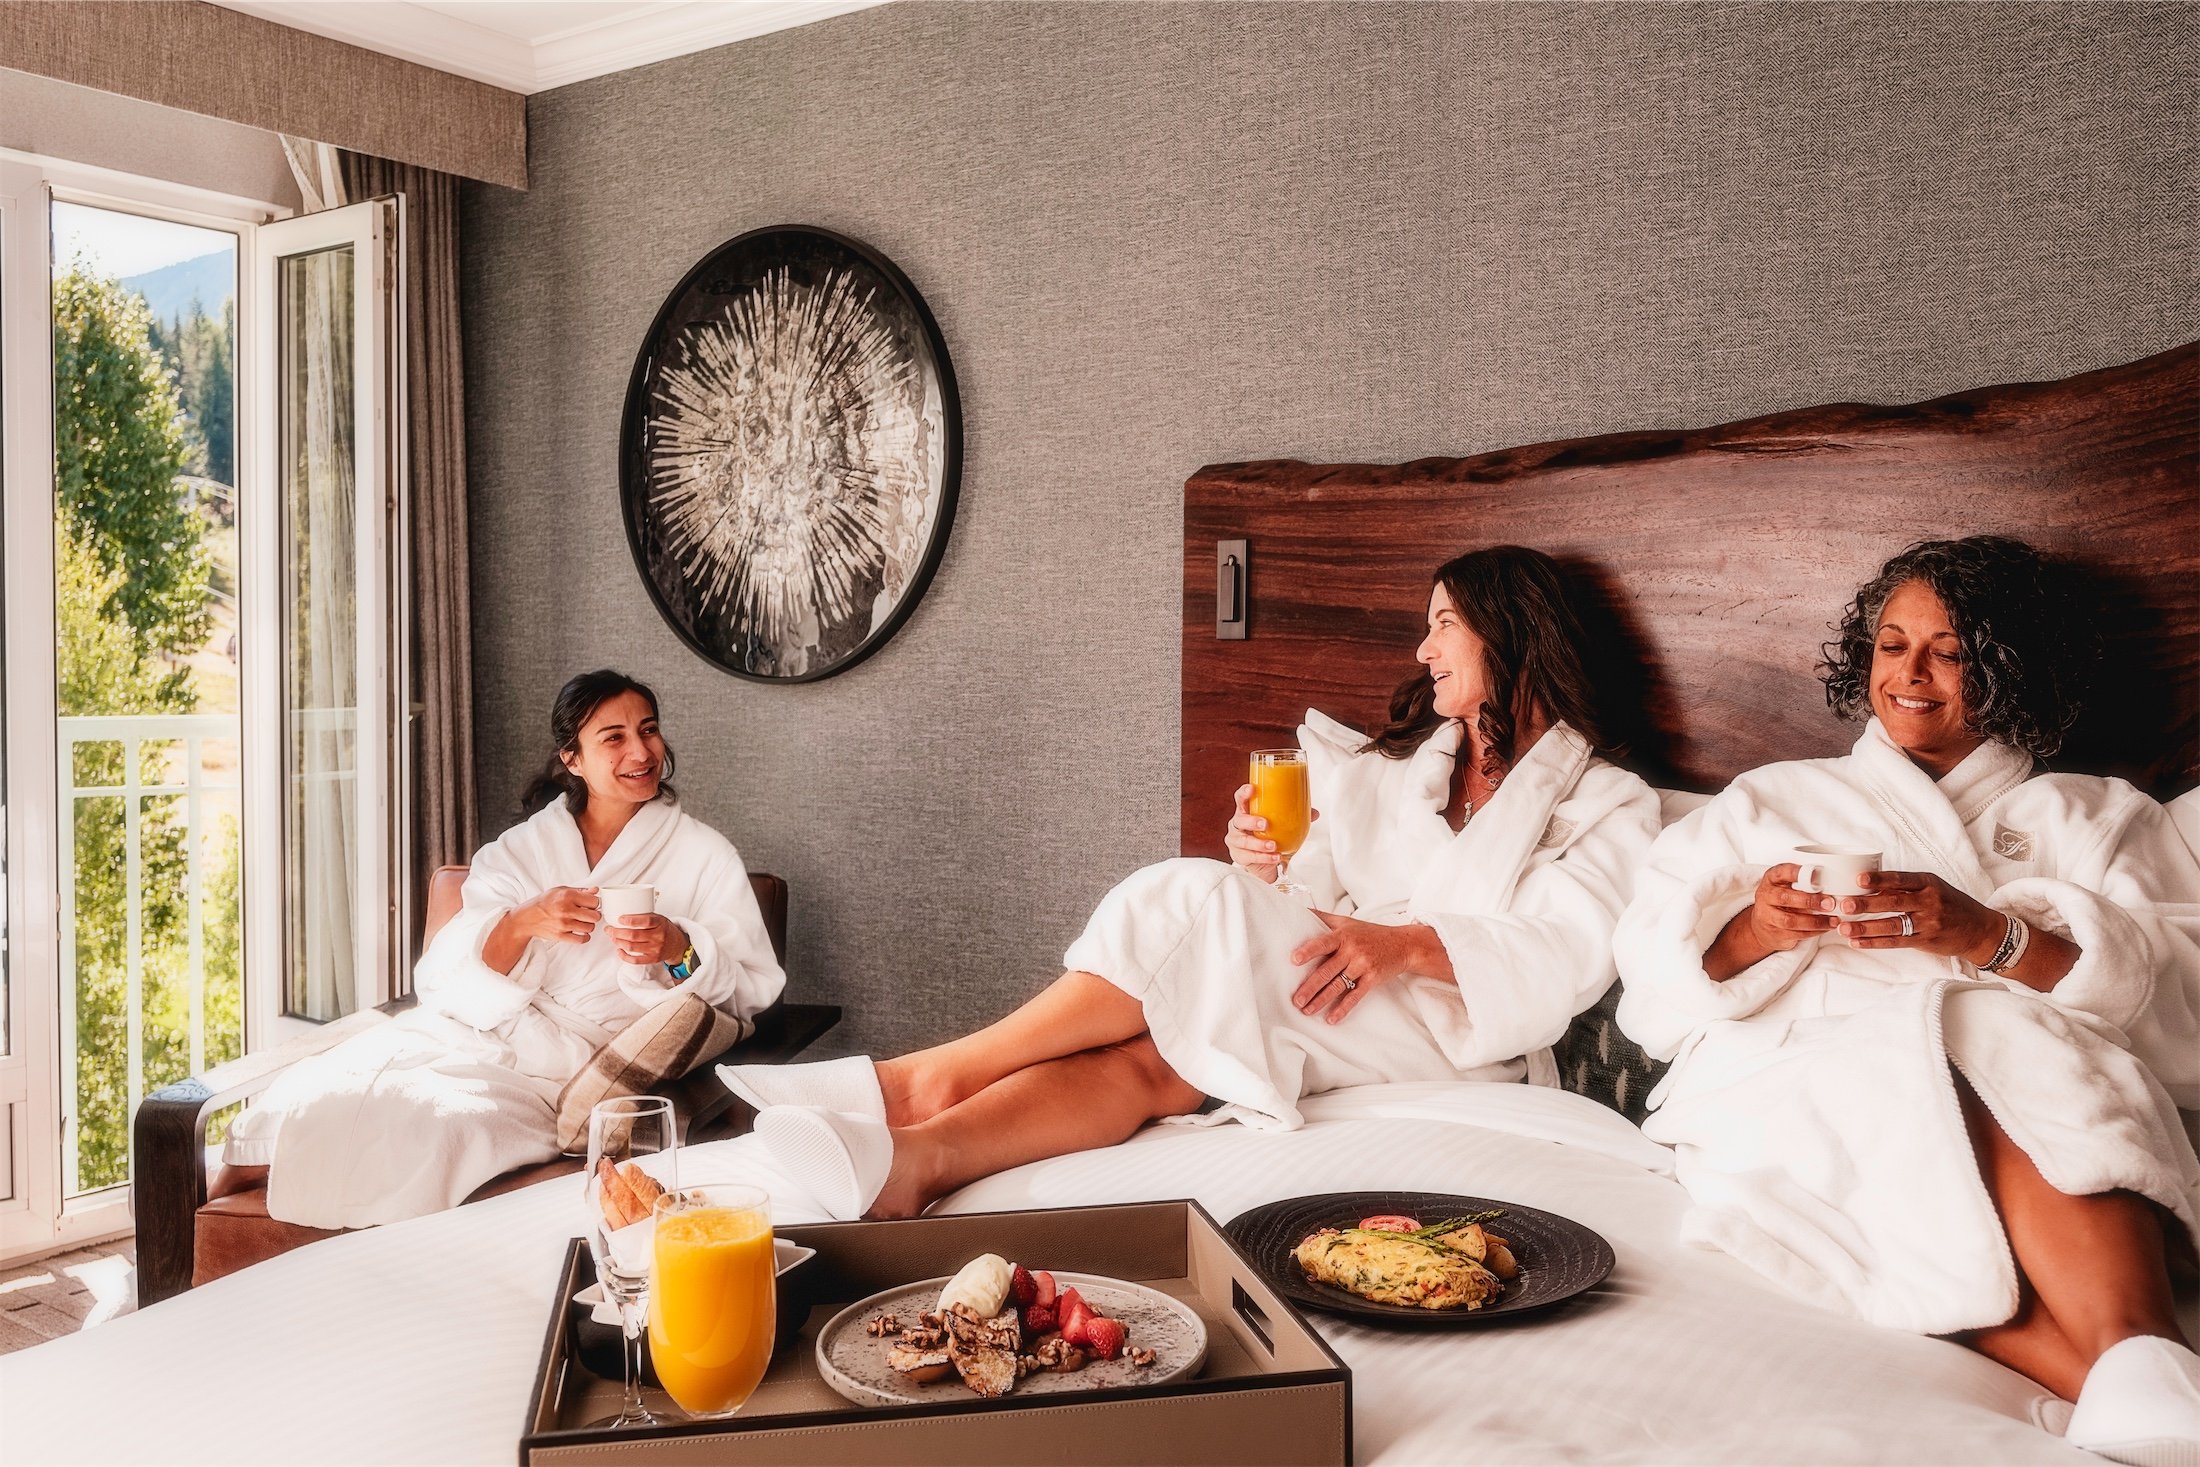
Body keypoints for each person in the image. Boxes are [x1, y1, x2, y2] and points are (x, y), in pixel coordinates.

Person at [725, 545, 1661, 1222]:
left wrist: (1403, 944)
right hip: (1344, 989)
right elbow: (1314, 885)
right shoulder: (1404, 774)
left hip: (1456, 1035)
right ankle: (917, 1164)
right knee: (1162, 1062)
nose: (1423, 650)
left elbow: (1567, 954)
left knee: (1192, 898)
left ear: (1512, 631)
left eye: (1443, 624)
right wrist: (1267, 868)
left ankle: (923, 1080)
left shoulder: (1609, 804)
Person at [1613, 536, 2200, 1462]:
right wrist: (1758, 931)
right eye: (1891, 645)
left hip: (2039, 1087)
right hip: (1791, 1075)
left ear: (2013, 670)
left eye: (1950, 652)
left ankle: (2130, 1373)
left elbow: (2182, 1002)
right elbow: (1651, 993)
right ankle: (2141, 1364)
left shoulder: (2097, 817)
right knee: (1964, 1042)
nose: (1909, 674)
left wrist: (1990, 936)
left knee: (1998, 1028)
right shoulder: (1773, 799)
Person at [212, 670, 784, 1229]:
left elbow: (751, 989)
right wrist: (522, 922)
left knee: (431, 1125)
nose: (641, 750)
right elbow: (445, 977)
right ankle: (200, 1255)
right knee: (303, 1097)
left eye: (649, 729)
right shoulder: (522, 849)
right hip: (465, 1034)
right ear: (572, 759)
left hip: (557, 1071)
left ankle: (360, 1261)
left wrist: (678, 946)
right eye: (614, 738)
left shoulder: (704, 856)